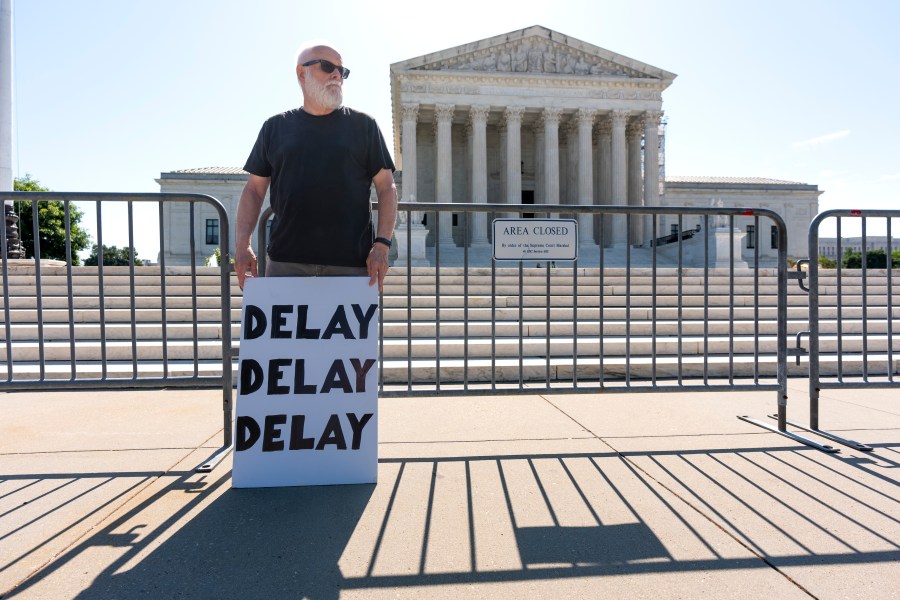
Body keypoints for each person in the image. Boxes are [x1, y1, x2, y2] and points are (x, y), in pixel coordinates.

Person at [234, 42, 398, 292]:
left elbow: (387, 188)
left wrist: (382, 245)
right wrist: (242, 245)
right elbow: (254, 191)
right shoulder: (274, 128)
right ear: (302, 73)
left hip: (351, 265)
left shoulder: (365, 127)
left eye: (342, 71)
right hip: (286, 265)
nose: (337, 75)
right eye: (328, 66)